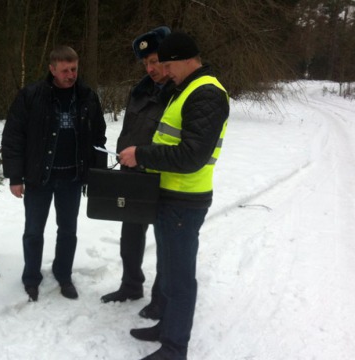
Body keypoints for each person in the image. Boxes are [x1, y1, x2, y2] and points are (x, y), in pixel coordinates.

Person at [119, 31, 230, 360]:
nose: (164, 72)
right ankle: (165, 326)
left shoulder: (206, 93)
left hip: (185, 200)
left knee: (180, 280)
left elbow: (192, 155)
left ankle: (174, 347)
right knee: (167, 272)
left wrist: (142, 154)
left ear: (185, 59)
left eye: (167, 65)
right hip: (168, 196)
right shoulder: (185, 89)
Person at [1, 45, 107, 302]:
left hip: (72, 178)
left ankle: (63, 274)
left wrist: (98, 176)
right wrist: (15, 177)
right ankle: (31, 278)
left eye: (74, 69)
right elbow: (13, 137)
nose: (71, 75)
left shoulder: (87, 97)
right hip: (40, 178)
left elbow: (98, 137)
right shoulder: (31, 96)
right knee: (34, 231)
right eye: (65, 70)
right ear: (52, 69)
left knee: (68, 231)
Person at [100, 26, 174, 322]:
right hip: (135, 173)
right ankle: (131, 285)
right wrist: (122, 154)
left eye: (155, 60)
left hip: (166, 177)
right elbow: (130, 128)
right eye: (145, 63)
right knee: (130, 235)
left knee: (166, 242)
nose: (150, 68)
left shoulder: (181, 90)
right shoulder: (141, 89)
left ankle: (161, 299)